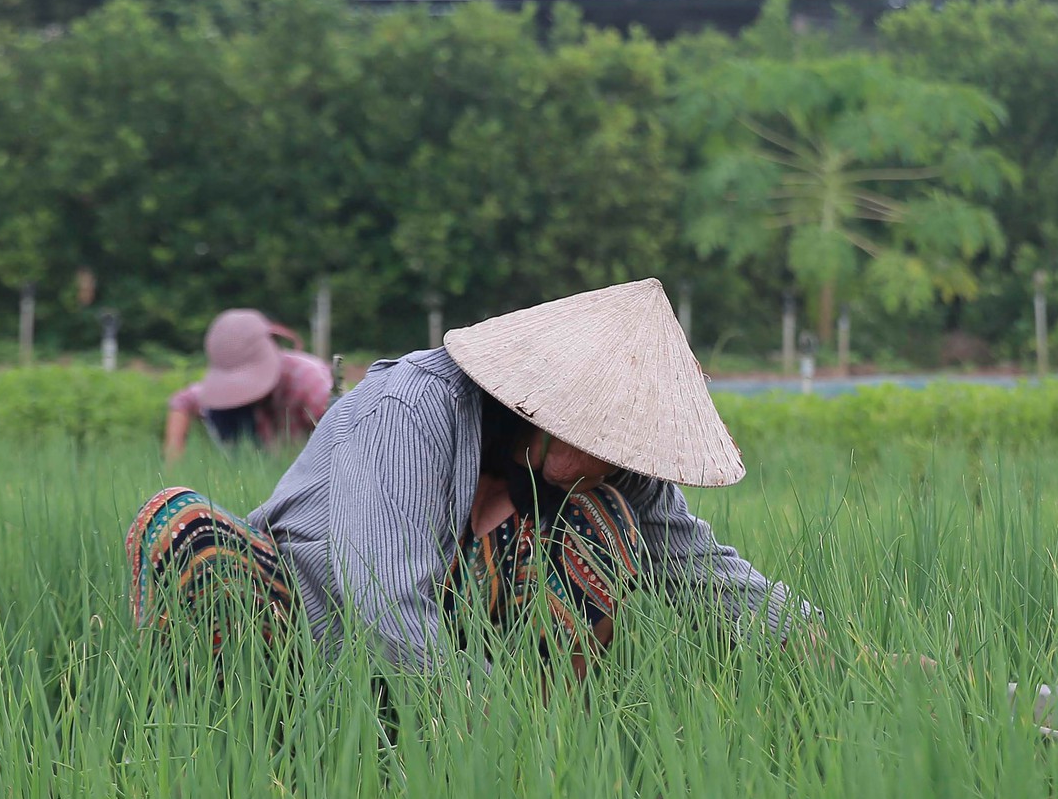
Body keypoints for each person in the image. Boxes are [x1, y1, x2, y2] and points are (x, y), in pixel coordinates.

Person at [129, 278, 809, 670]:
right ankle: (231, 759)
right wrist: (488, 730)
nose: (622, 462)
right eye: (609, 439)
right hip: (308, 628)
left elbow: (711, 578)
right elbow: (385, 602)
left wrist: (844, 654)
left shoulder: (616, 478)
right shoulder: (412, 409)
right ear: (552, 414)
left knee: (600, 523)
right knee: (179, 523)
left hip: (447, 672)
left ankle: (552, 751)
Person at [162, 309, 333, 463]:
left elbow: (345, 432)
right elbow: (182, 402)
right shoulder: (225, 395)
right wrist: (172, 466)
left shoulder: (308, 379)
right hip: (259, 462)